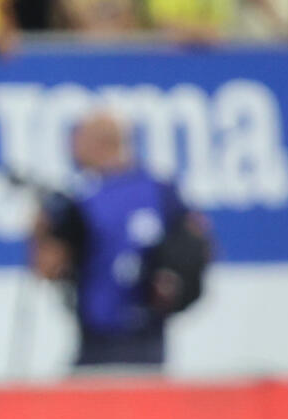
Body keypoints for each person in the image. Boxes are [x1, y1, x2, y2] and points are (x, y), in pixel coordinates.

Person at [30, 110, 210, 371]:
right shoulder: (162, 191)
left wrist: (40, 229)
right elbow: (200, 242)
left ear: (96, 143)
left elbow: (47, 268)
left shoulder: (83, 201)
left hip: (100, 341)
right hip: (151, 343)